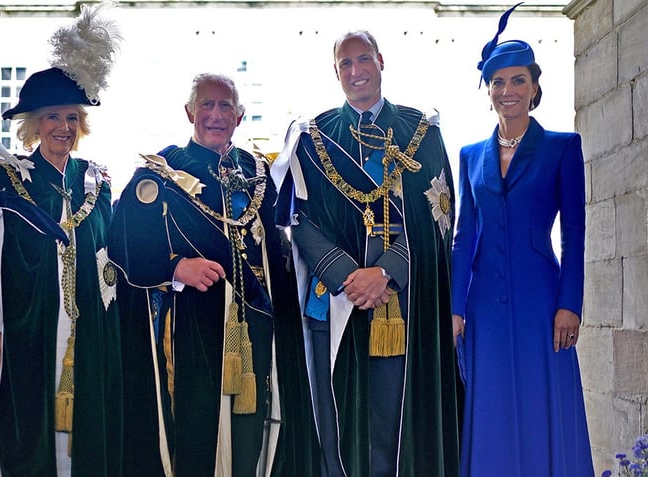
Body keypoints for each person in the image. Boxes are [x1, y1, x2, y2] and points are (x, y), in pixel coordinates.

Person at [0, 5, 123, 476]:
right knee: (26, 430)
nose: (62, 127)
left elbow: (112, 256)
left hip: (88, 332)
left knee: (81, 433)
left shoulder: (96, 182)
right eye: (51, 118)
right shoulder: (6, 182)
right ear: (33, 125)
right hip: (26, 332)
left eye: (70, 117)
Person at [270, 30, 461, 476]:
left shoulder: (423, 132)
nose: (355, 72)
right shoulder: (311, 137)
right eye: (345, 64)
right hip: (335, 299)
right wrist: (347, 275)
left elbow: (441, 218)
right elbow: (299, 221)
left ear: (380, 61)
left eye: (363, 60)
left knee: (394, 419)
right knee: (336, 418)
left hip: (402, 304)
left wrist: (387, 273)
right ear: (335, 71)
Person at [108, 73, 318, 476]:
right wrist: (175, 268)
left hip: (260, 324)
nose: (216, 115)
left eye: (226, 106)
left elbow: (279, 245)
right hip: (193, 328)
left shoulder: (257, 171)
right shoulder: (162, 173)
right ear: (189, 111)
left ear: (239, 116)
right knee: (197, 430)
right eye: (207, 105)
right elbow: (123, 244)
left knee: (254, 431)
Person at [450, 4, 594, 476]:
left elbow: (574, 233)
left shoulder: (562, 148)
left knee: (542, 400)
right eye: (498, 82)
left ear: (534, 87)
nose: (507, 91)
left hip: (542, 303)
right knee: (489, 406)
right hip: (484, 307)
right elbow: (463, 237)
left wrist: (569, 302)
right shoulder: (470, 156)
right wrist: (454, 307)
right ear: (487, 90)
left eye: (517, 81)